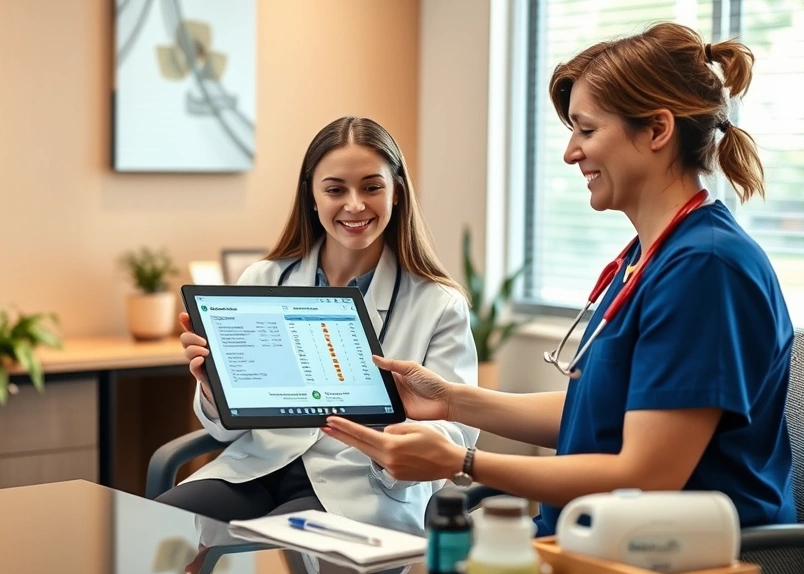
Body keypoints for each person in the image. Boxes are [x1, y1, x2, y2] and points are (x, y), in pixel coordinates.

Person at [322, 23, 797, 537]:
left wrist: (463, 463)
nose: (571, 153)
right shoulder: (648, 257)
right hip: (600, 538)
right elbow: (593, 409)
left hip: (679, 556)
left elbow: (648, 473)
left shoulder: (706, 269)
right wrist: (451, 399)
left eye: (587, 130)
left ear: (658, 130)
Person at [155, 116, 480, 535]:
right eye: (335, 189)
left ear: (396, 192)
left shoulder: (438, 304)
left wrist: (397, 441)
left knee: (263, 551)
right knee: (160, 533)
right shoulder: (263, 279)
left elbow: (456, 432)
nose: (355, 205)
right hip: (257, 468)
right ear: (311, 195)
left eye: (371, 186)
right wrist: (210, 386)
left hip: (362, 486)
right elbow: (224, 423)